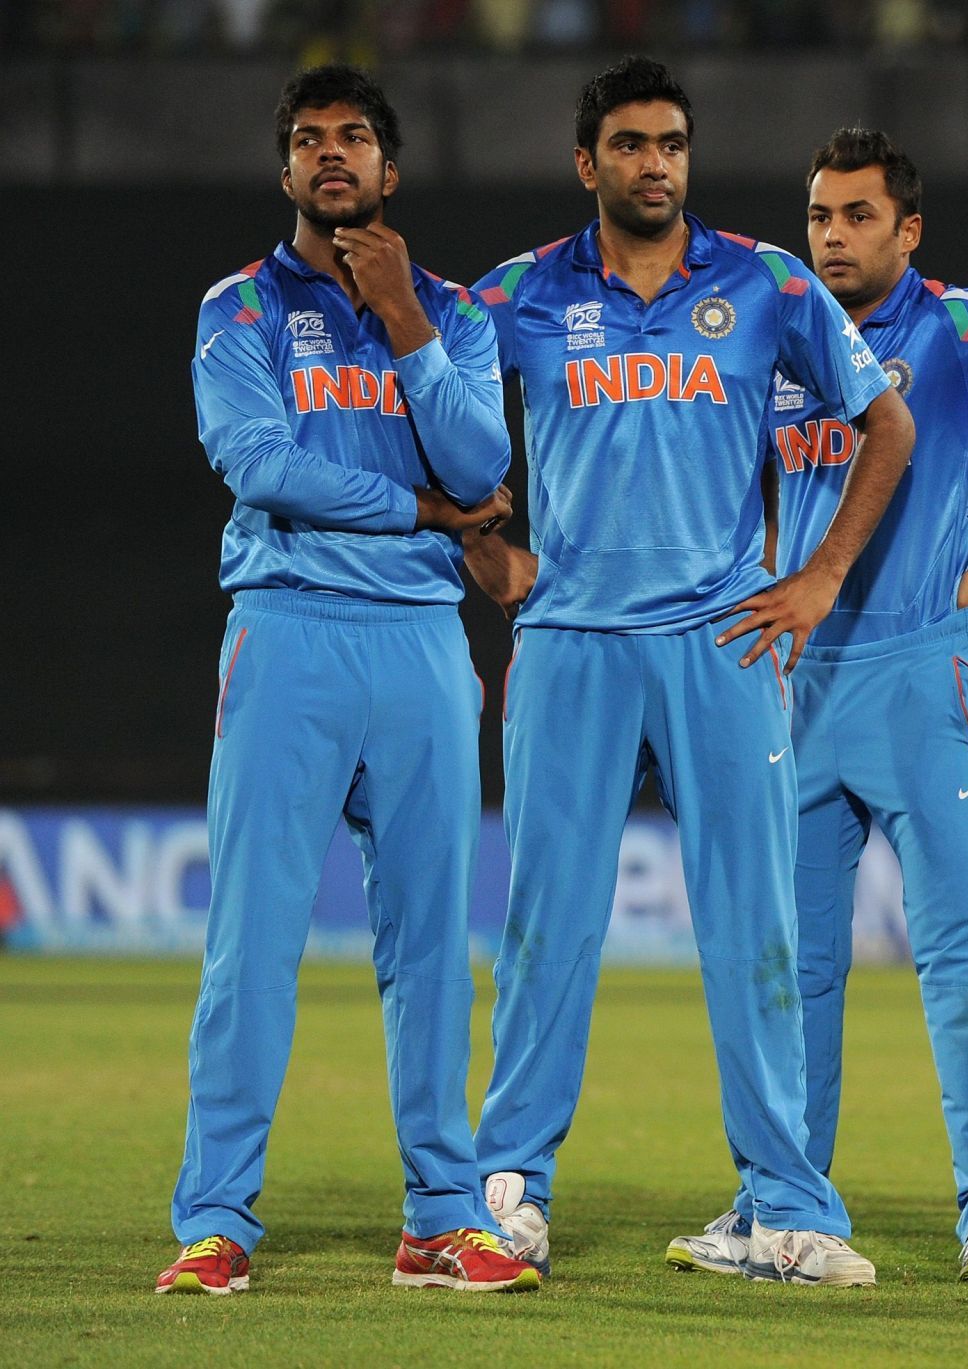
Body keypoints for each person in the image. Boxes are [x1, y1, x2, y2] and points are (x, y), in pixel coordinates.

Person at [463, 57, 915, 1289]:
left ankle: (787, 1205)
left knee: (754, 923)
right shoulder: (526, 291)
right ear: (588, 163)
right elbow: (424, 396)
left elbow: (888, 423)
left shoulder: (766, 282)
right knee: (546, 922)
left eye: (670, 143)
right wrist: (484, 549)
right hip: (572, 641)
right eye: (628, 144)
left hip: (724, 640)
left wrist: (818, 577)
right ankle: (507, 1189)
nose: (653, 163)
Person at [664, 128, 968, 1284]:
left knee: (964, 955)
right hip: (802, 675)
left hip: (927, 666)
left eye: (858, 216)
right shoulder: (779, 335)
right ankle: (781, 1202)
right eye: (819, 217)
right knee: (792, 964)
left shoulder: (965, 326)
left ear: (908, 230)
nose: (832, 237)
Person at [161, 64, 534, 1296]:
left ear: (389, 170)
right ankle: (216, 1222)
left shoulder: (453, 314)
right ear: (286, 175)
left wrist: (407, 325)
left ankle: (440, 1216)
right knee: (253, 942)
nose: (334, 154)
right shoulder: (242, 307)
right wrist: (423, 507)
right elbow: (258, 462)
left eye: (356, 137)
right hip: (289, 629)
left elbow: (489, 456)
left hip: (425, 640)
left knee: (432, 944)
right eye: (310, 140)